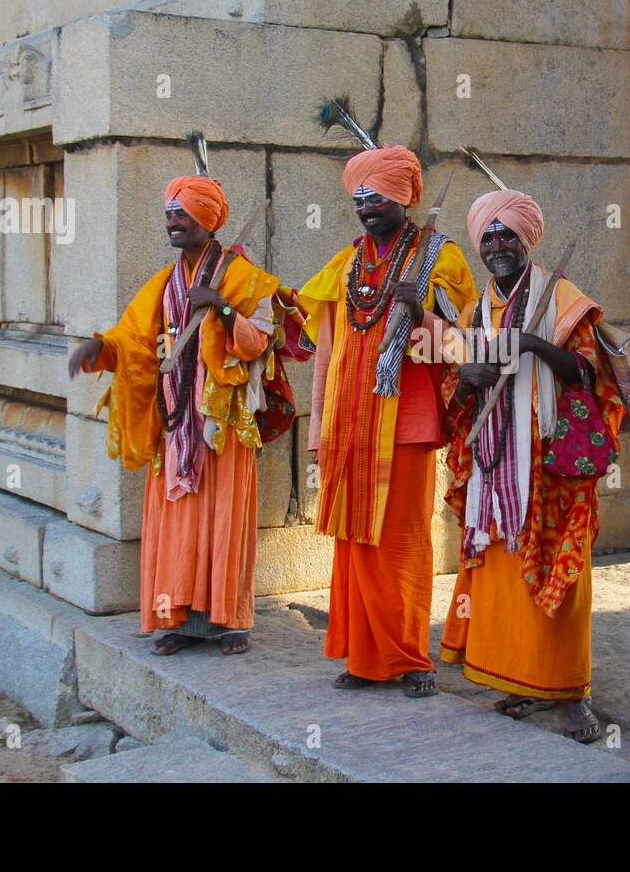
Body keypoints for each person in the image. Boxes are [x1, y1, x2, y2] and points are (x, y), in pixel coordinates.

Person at [68, 175, 291, 656]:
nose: (173, 221)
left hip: (223, 426)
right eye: (169, 212)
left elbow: (261, 341)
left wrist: (223, 309)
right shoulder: (164, 283)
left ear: (207, 220)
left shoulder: (242, 276)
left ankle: (229, 623)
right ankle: (176, 621)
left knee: (223, 522)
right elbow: (133, 338)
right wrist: (100, 348)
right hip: (174, 424)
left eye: (182, 213)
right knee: (176, 527)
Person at [436, 189, 626, 742]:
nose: (497, 245)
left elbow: (590, 373)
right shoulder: (475, 309)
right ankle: (520, 681)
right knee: (502, 576)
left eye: (506, 235)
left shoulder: (560, 297)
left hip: (551, 464)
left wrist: (532, 345)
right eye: (488, 236)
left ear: (526, 239)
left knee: (559, 581)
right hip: (496, 467)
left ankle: (571, 699)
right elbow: (460, 381)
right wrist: (468, 377)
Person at [298, 145, 477, 697]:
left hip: (406, 421)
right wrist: (318, 430)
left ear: (404, 198)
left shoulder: (440, 259)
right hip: (349, 423)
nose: (367, 208)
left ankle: (410, 659)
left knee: (400, 542)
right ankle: (365, 658)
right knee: (354, 540)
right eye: (359, 199)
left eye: (377, 197)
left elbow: (462, 347)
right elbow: (327, 353)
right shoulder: (346, 264)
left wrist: (421, 310)